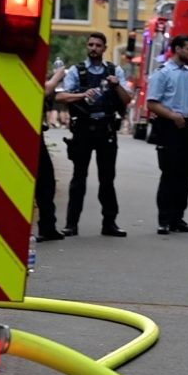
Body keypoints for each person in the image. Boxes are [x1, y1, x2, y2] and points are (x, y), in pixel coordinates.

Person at [54, 32, 132, 237]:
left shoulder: (115, 71)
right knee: (79, 177)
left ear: (105, 48)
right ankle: (71, 224)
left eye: (98, 45)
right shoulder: (76, 71)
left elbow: (126, 100)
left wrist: (116, 85)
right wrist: (82, 94)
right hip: (82, 129)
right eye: (90, 44)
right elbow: (60, 96)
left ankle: (110, 223)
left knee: (107, 179)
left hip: (106, 129)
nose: (94, 48)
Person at [146, 35, 188, 235]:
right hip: (170, 128)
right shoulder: (163, 74)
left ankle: (178, 217)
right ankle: (164, 219)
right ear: (178, 49)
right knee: (170, 174)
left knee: (186, 175)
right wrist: (173, 116)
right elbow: (152, 102)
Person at [35, 60, 67, 242]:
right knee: (45, 181)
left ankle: (48, 226)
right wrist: (59, 74)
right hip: (28, 135)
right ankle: (47, 226)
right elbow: (44, 90)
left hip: (31, 133)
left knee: (46, 181)